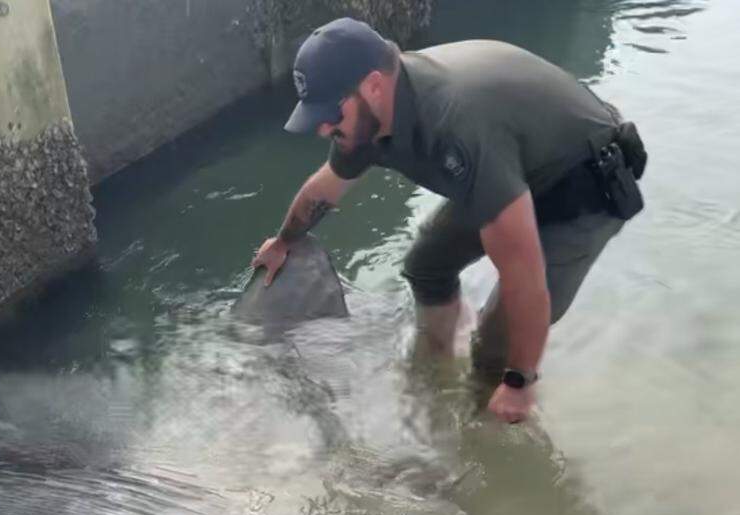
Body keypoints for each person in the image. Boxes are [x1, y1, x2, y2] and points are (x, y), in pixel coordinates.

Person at [253, 18, 646, 423]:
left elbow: (522, 270)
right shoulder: (364, 122)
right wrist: (284, 242)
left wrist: (519, 382)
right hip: (510, 167)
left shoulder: (452, 125)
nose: (323, 128)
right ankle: (438, 363)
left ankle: (487, 428)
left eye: (331, 113)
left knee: (495, 351)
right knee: (426, 266)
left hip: (580, 184)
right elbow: (325, 188)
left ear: (373, 85)